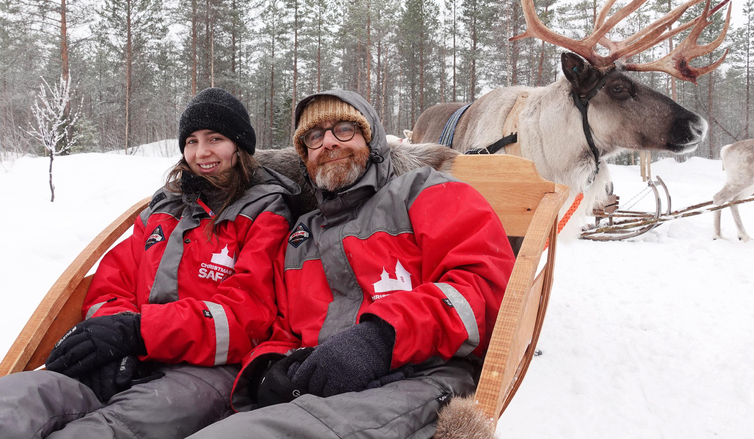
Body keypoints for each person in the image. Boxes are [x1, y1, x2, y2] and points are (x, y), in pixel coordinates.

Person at [187, 90, 516, 439]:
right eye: (314, 136)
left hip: (423, 380)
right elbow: (283, 326)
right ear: (305, 155)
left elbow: (485, 288)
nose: (328, 142)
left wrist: (380, 339)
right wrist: (270, 367)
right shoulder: (301, 235)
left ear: (371, 141)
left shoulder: (427, 192)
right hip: (324, 394)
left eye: (344, 129)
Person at [0, 88, 299, 439]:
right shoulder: (162, 210)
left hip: (206, 370)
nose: (201, 152)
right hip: (129, 356)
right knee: (15, 402)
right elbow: (111, 284)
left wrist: (139, 332)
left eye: (215, 138)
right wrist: (111, 341)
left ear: (240, 146)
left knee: (104, 431)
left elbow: (246, 319)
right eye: (191, 140)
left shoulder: (265, 213)